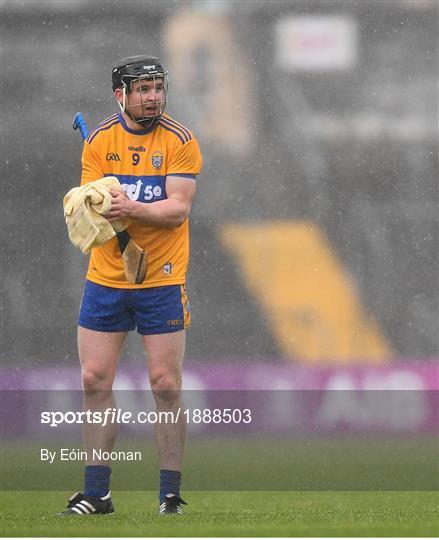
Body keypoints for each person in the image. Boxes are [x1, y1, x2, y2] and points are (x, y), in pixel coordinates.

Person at [59, 55, 202, 516]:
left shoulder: (180, 140)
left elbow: (177, 209)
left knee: (165, 384)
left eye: (158, 87)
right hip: (106, 278)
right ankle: (97, 493)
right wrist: (98, 205)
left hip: (161, 278)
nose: (153, 96)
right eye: (143, 89)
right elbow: (86, 205)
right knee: (93, 378)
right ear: (120, 95)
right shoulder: (98, 140)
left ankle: (170, 496)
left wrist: (130, 210)